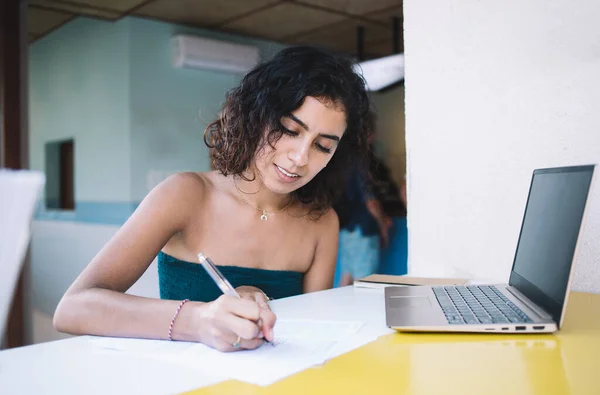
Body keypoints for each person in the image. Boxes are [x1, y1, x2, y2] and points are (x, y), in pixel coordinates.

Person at [53, 46, 374, 352]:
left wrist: (266, 307)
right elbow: (73, 308)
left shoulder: (321, 223)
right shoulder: (184, 195)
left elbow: (311, 335)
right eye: (290, 129)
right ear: (256, 117)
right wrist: (198, 319)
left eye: (323, 146)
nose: (301, 157)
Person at [335, 158, 392, 287]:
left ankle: (338, 307)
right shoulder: (361, 163)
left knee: (346, 277)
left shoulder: (339, 164)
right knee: (365, 283)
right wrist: (383, 226)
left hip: (346, 229)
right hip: (363, 230)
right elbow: (371, 203)